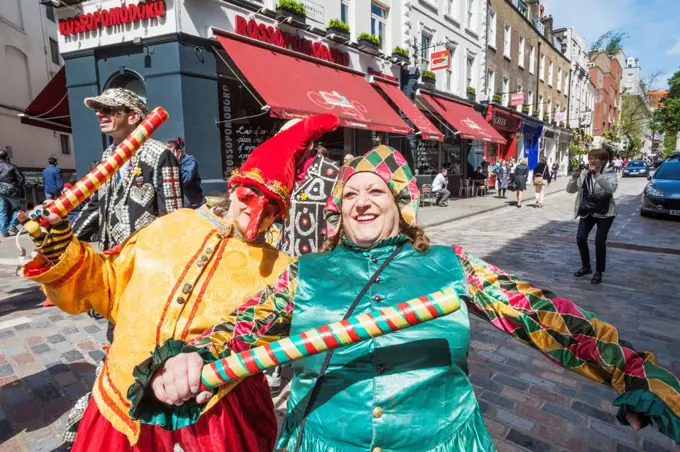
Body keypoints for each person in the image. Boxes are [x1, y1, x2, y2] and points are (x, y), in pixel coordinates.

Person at [148, 145, 680, 451]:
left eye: (375, 191)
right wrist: (193, 358)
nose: (361, 203)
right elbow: (238, 330)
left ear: (403, 205)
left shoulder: (451, 264)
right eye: (350, 194)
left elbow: (544, 317)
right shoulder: (304, 274)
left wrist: (631, 370)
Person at [20, 114, 341, 451]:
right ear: (233, 187)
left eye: (272, 208)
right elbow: (107, 282)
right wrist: (59, 244)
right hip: (121, 403)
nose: (255, 214)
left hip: (213, 418)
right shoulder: (175, 224)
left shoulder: (280, 268)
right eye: (249, 197)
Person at [87, 88, 183, 251]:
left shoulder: (159, 154)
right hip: (111, 259)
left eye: (108, 110)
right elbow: (97, 206)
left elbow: (172, 217)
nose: (99, 114)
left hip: (144, 260)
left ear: (133, 117)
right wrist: (57, 234)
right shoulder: (107, 155)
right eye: (98, 110)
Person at [567, 148, 618, 285]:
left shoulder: (610, 173)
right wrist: (574, 177)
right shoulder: (584, 173)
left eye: (596, 158)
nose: (593, 160)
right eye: (591, 158)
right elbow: (570, 190)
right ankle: (586, 266)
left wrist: (597, 175)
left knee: (600, 242)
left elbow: (611, 188)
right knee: (580, 238)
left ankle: (599, 272)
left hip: (605, 212)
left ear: (603, 161)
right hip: (588, 211)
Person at [166, 137, 206, 209]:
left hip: (195, 206)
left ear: (179, 152)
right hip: (180, 207)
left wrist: (175, 163)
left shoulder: (190, 162)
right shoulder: (168, 165)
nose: (168, 158)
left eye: (171, 155)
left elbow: (185, 179)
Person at [0, 150, 25, 238]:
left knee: (2, 211)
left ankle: (3, 231)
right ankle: (12, 225)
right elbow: (21, 178)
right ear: (6, 157)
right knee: (17, 209)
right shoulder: (12, 166)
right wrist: (17, 187)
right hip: (12, 190)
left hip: (0, 191)